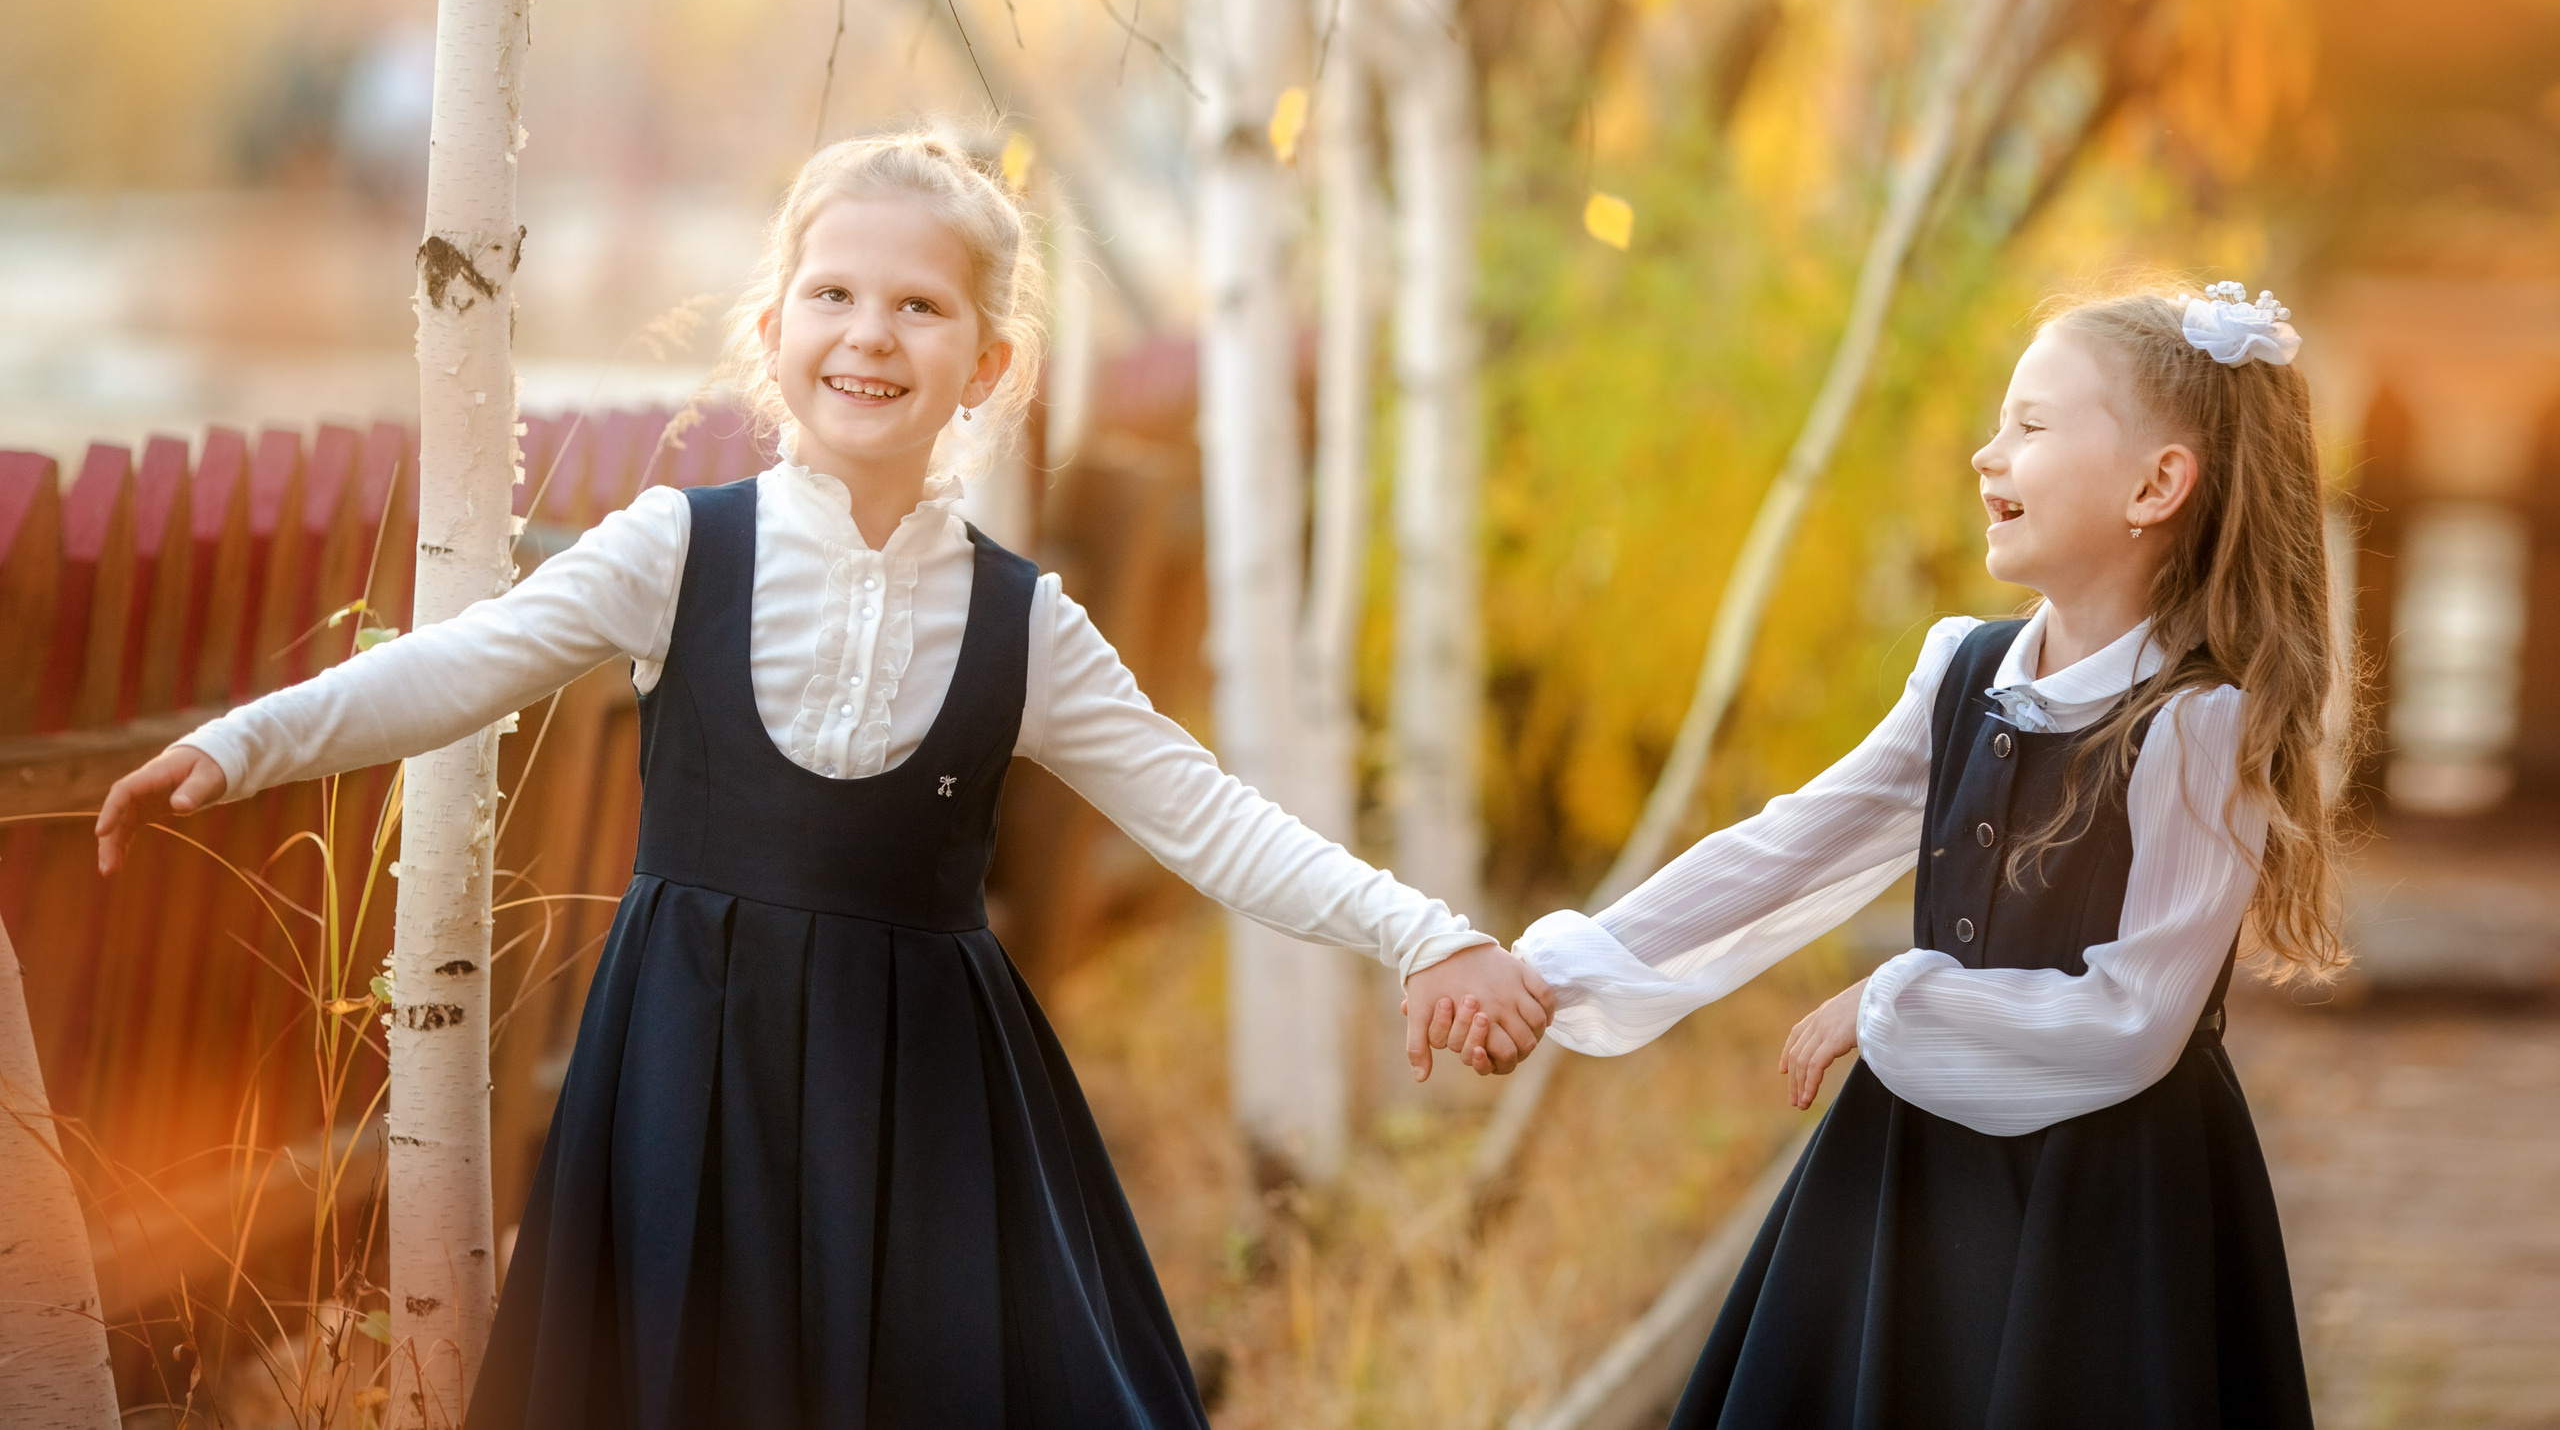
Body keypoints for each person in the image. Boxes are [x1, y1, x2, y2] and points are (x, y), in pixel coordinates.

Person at [95, 133, 1554, 1429]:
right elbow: (459, 664)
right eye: (835, 295)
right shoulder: (679, 550)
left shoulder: (1022, 621)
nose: (871, 335)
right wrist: (238, 746)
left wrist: (1428, 933)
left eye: (921, 306)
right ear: (775, 324)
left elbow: (1211, 816)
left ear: (985, 364)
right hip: (687, 1077)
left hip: (922, 1107)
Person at [1515, 283, 2338, 1428]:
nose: (1984, 450)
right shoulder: (1962, 671)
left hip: (2101, 1203)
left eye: (2032, 425)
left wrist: (1897, 1001)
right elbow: (1793, 844)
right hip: (1913, 1168)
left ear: (2155, 484)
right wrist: (1563, 964)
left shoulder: (2195, 727)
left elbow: (2137, 1017)